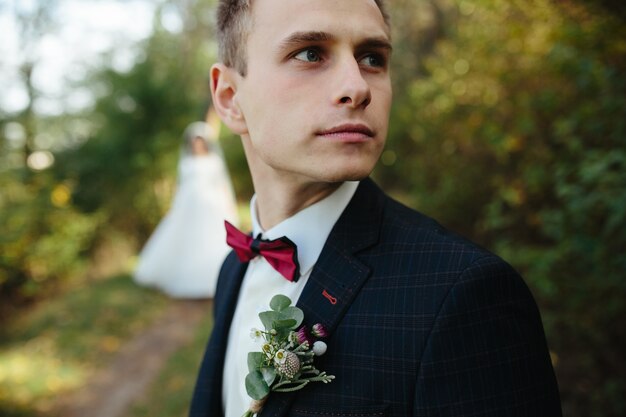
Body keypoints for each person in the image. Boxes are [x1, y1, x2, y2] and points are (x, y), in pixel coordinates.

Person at [190, 0, 562, 416]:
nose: (358, 86)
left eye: (372, 58)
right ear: (229, 98)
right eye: (310, 54)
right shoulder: (232, 270)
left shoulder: (466, 296)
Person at [134, 121, 239, 299]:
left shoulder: (214, 161)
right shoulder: (186, 162)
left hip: (211, 205)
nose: (197, 144)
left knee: (211, 238)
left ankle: (214, 278)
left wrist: (228, 206)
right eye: (194, 141)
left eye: (200, 140)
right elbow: (181, 186)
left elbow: (222, 185)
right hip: (189, 205)